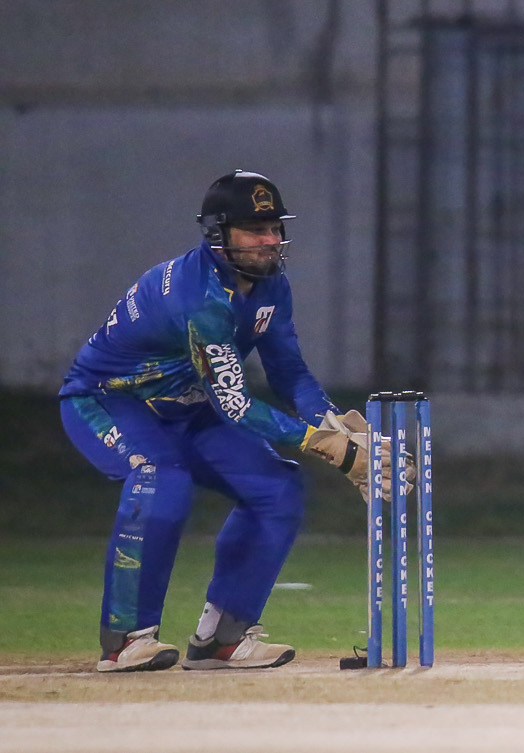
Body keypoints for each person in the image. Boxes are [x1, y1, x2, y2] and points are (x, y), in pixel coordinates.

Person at [60, 170, 391, 672]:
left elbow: (289, 372)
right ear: (218, 234)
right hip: (109, 400)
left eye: (275, 228)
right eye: (255, 230)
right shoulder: (198, 298)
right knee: (160, 478)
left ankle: (222, 639)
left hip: (189, 406)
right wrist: (333, 449)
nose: (270, 240)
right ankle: (125, 640)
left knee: (277, 488)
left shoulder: (270, 285)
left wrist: (335, 424)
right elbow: (235, 403)